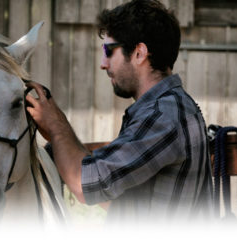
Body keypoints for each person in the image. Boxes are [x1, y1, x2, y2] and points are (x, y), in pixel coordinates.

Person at [26, 0, 213, 224]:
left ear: (139, 53)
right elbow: (116, 193)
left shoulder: (163, 116)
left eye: (108, 51)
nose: (103, 64)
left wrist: (57, 127)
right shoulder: (169, 108)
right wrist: (59, 135)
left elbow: (85, 185)